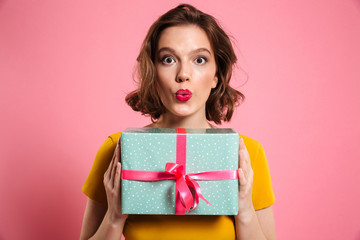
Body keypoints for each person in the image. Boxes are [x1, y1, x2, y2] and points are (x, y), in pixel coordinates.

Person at [80, 4, 276, 240]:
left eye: (200, 59)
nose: (183, 74)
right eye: (168, 59)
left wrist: (244, 211)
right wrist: (114, 215)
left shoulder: (247, 154)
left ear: (217, 75)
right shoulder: (118, 149)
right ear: (152, 70)